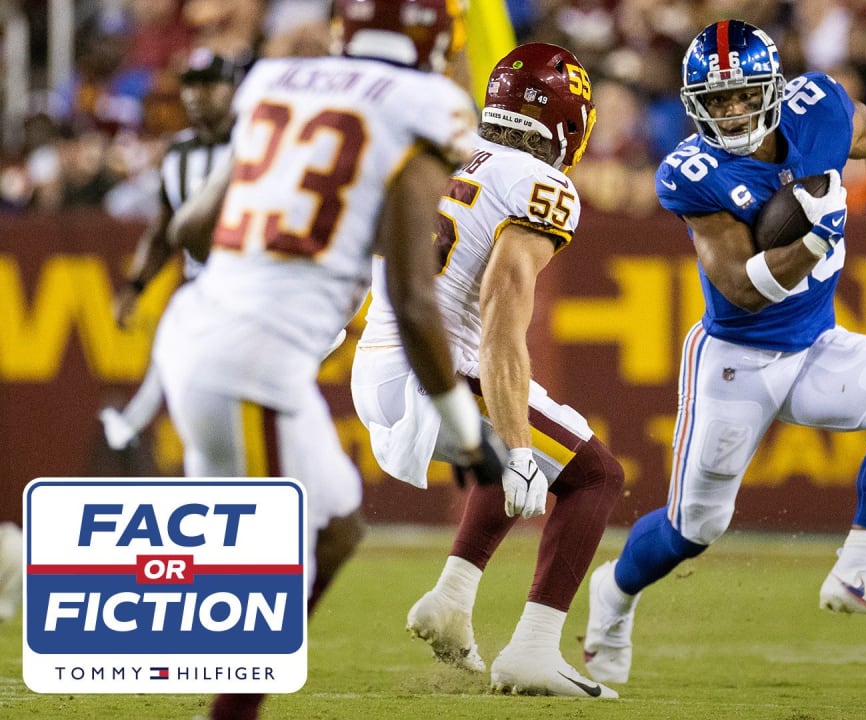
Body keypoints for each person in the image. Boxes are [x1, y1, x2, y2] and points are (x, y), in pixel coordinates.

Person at [154, 1, 499, 718]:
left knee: (337, 526)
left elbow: (190, 229)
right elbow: (410, 298)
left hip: (208, 331)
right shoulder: (426, 105)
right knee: (269, 563)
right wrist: (465, 432)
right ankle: (36, 576)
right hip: (253, 358)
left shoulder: (277, 80)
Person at [583, 19, 866, 684]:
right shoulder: (695, 173)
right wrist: (813, 240)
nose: (731, 110)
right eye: (715, 100)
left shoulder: (819, 105)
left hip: (814, 345)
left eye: (741, 94)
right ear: (694, 103)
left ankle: (858, 566)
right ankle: (613, 592)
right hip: (735, 358)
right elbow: (742, 291)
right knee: (693, 529)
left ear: (773, 88)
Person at [350, 43, 625, 699]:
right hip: (438, 378)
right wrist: (522, 444)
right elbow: (501, 315)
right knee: (593, 475)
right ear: (567, 121)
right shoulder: (540, 183)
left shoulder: (446, 151)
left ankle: (452, 598)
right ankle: (532, 650)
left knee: (522, 442)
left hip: (378, 366)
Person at [100, 47, 241, 451]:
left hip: (255, 285)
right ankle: (130, 426)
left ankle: (130, 425)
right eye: (190, 86)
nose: (197, 95)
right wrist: (136, 285)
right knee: (175, 350)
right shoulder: (177, 153)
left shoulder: (257, 141)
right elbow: (163, 230)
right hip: (204, 284)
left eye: (209, 84)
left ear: (233, 88)